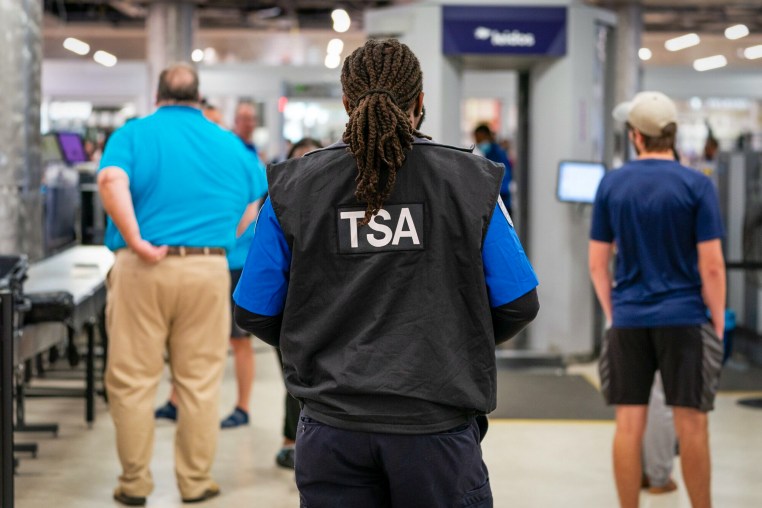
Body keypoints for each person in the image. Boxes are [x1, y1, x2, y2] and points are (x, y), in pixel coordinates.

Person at [233, 38, 539, 507]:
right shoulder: (472, 181)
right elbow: (518, 302)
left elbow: (254, 309)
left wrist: (317, 343)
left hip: (332, 427)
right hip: (436, 428)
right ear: (420, 102)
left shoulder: (293, 187)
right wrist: (452, 341)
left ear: (346, 103)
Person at [98, 63, 267, 506]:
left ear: (157, 95)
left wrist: (136, 238)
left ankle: (134, 484)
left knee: (134, 380)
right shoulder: (229, 143)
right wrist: (225, 234)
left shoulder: (133, 134)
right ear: (198, 97)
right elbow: (258, 197)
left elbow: (111, 179)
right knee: (199, 381)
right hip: (208, 270)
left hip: (142, 266)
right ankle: (195, 483)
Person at [589, 91, 726, 508]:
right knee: (693, 425)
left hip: (629, 319)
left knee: (629, 425)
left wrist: (616, 313)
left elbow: (597, 264)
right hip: (685, 318)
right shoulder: (697, 184)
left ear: (636, 136)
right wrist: (717, 323)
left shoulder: (612, 184)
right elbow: (713, 266)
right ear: (671, 133)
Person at [272, 137, 323, 470]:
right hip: (292, 310)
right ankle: (292, 440)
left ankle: (301, 440)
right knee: (297, 380)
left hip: (326, 312)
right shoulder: (279, 203)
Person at [473, 123, 513, 216]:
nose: (477, 142)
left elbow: (505, 181)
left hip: (502, 205)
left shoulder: (498, 154)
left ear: (486, 136)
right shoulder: (489, 154)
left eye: (479, 139)